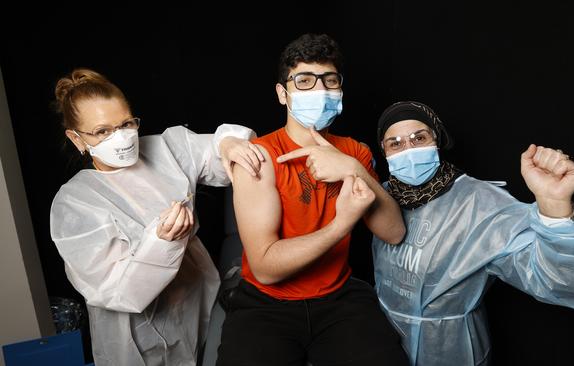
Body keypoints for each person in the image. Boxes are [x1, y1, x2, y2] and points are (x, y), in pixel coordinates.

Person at [371, 100, 574, 366]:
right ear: (383, 150)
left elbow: (573, 280)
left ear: (437, 139)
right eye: (395, 143)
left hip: (451, 352)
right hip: (383, 343)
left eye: (419, 138)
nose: (408, 150)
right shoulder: (379, 198)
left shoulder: (480, 203)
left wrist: (554, 205)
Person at [49, 68, 264, 366]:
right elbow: (118, 292)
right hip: (136, 338)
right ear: (76, 139)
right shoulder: (75, 204)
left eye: (126, 124)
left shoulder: (165, 150)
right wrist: (162, 242)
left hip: (198, 303)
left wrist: (227, 144)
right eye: (102, 131)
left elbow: (216, 150)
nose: (121, 137)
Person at [217, 33, 410, 365]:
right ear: (283, 93)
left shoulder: (355, 151)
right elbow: (264, 267)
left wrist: (352, 169)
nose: (320, 90)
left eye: (329, 80)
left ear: (340, 90)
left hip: (340, 298)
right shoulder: (259, 157)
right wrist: (341, 225)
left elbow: (394, 232)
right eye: (304, 81)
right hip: (265, 304)